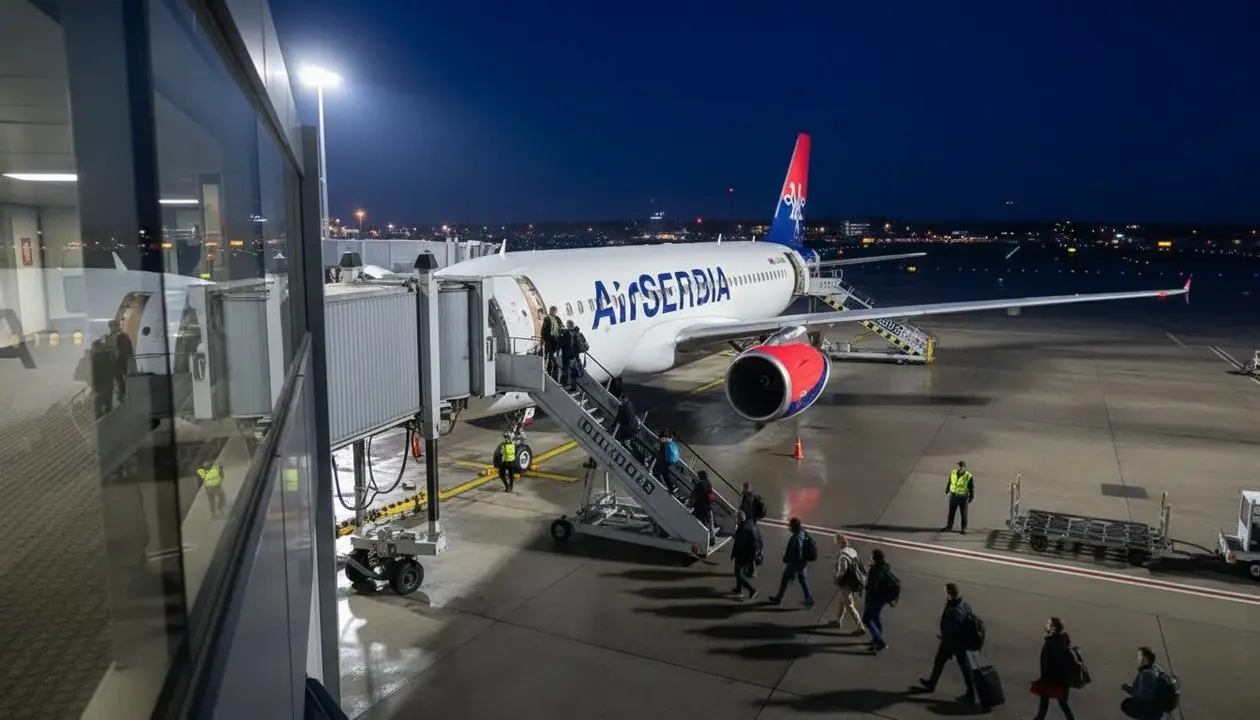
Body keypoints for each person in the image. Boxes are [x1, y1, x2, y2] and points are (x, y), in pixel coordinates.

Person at [918, 582, 978, 704]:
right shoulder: (964, 604)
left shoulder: (952, 610)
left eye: (946, 592)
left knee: (962, 667)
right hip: (959, 641)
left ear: (950, 594)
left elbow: (951, 628)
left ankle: (971, 694)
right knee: (946, 662)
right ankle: (932, 683)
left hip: (954, 643)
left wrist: (943, 636)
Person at [1031, 617, 1078, 720]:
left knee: (1046, 705)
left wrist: (1043, 680)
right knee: (1062, 704)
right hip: (1063, 680)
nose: (1046, 625)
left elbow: (1047, 665)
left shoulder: (1051, 644)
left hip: (1052, 681)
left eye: (1048, 624)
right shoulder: (1063, 640)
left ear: (1053, 628)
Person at [768, 517, 815, 608]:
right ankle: (809, 599)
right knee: (803, 581)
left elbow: (792, 553)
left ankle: (778, 598)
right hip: (803, 563)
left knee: (785, 580)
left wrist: (788, 562)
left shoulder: (795, 539)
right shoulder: (803, 533)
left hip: (794, 564)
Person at [830, 533, 866, 634]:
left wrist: (836, 578)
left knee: (849, 605)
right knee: (842, 600)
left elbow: (842, 571)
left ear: (838, 543)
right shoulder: (852, 550)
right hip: (854, 581)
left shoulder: (842, 556)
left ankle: (860, 626)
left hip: (846, 583)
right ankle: (838, 620)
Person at [861, 548, 893, 652]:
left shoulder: (875, 570)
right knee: (876, 618)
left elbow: (872, 588)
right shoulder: (885, 567)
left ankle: (880, 642)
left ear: (875, 558)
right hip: (882, 599)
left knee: (866, 619)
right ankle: (877, 638)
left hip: (874, 599)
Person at [1121, 646, 1165, 719]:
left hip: (1150, 713)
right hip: (1157, 710)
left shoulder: (1146, 675)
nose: (1137, 658)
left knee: (1126, 704)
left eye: (1139, 656)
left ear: (1144, 659)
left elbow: (1144, 697)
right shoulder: (1156, 668)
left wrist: (1130, 690)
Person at [729, 510, 759, 600]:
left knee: (738, 573)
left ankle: (752, 590)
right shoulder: (749, 524)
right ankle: (738, 588)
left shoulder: (742, 528)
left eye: (736, 518)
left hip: (743, 554)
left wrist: (734, 554)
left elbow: (739, 544)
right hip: (749, 553)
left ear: (739, 518)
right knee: (738, 571)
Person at [942, 461, 975, 534]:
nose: (960, 468)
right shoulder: (953, 472)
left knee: (963, 513)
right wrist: (947, 490)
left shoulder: (968, 476)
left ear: (965, 468)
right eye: (959, 466)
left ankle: (963, 528)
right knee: (951, 513)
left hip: (963, 498)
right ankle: (949, 526)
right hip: (953, 496)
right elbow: (949, 481)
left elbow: (971, 488)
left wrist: (971, 497)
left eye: (962, 467)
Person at [690, 470, 716, 545]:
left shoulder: (699, 485)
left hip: (700, 508)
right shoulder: (709, 483)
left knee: (700, 523)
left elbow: (694, 496)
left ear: (700, 476)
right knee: (710, 524)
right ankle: (712, 539)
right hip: (708, 507)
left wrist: (690, 503)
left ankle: (702, 538)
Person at [656, 429, 679, 494]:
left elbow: (661, 452)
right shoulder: (671, 442)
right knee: (664, 472)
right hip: (670, 460)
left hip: (665, 459)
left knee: (658, 472)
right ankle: (671, 487)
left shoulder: (664, 440)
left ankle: (668, 487)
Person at [541, 306, 562, 377]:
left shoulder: (557, 319)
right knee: (550, 355)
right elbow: (543, 330)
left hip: (556, 340)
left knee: (555, 355)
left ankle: (555, 370)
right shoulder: (547, 319)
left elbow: (561, 326)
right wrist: (543, 338)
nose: (552, 312)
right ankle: (549, 370)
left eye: (553, 311)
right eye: (551, 311)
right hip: (549, 339)